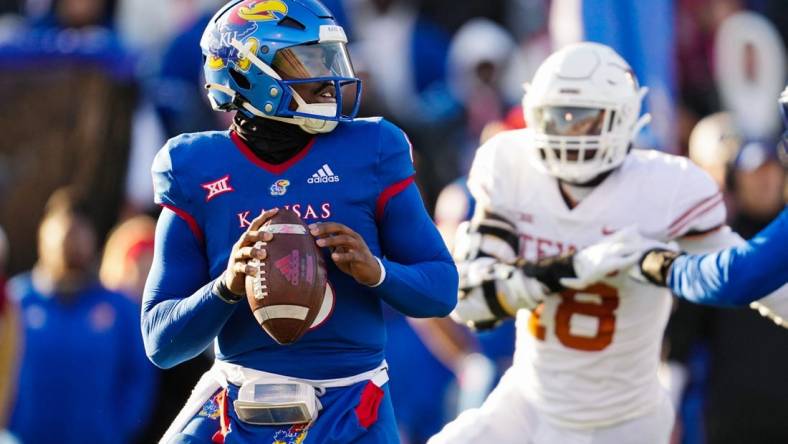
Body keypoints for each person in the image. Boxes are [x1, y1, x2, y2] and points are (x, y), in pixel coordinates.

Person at [141, 1, 458, 443]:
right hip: (239, 401)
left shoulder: (373, 149)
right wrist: (226, 286)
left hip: (351, 407)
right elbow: (160, 341)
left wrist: (378, 271)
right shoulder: (195, 165)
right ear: (250, 70)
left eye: (331, 58)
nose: (330, 78)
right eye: (310, 59)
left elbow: (442, 289)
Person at [428, 42, 757, 444]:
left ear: (623, 117)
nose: (570, 131)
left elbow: (743, 275)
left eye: (583, 119)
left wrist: (656, 264)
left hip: (624, 420)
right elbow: (469, 302)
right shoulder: (513, 166)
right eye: (558, 117)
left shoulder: (666, 186)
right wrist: (568, 269)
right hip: (530, 401)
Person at [6, 188, 155, 444]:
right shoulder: (16, 301)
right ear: (43, 234)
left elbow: (138, 379)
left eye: (80, 231)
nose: (71, 241)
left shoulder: (118, 308)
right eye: (64, 231)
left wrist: (113, 430)